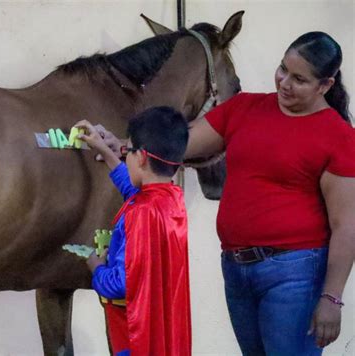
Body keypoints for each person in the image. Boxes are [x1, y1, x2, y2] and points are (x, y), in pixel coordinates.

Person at [96, 32, 355, 355]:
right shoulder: (246, 107)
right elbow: (177, 143)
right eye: (283, 69)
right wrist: (122, 145)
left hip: (294, 273)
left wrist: (332, 298)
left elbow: (346, 225)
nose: (285, 82)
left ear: (325, 86)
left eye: (299, 79)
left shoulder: (338, 137)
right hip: (236, 268)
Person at [75, 106, 191, 356]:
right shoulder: (171, 200)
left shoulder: (140, 215)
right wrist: (107, 153)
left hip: (136, 336)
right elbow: (134, 191)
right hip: (163, 334)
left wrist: (96, 266)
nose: (124, 155)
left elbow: (121, 284)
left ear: (141, 157)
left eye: (127, 150)